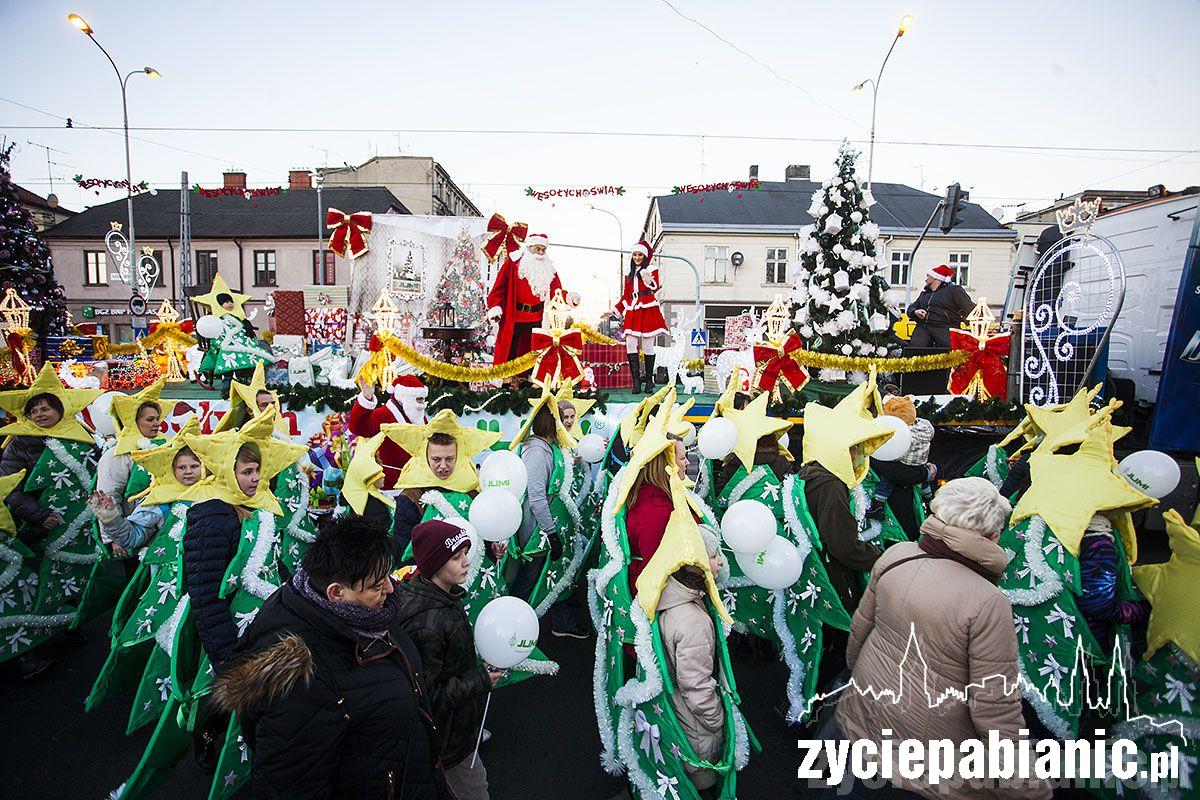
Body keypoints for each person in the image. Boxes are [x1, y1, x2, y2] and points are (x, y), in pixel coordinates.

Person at [833, 477, 1049, 800]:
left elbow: (859, 635)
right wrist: (1029, 787)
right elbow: (994, 708)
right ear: (993, 535)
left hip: (866, 715)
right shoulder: (989, 602)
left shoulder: (897, 555)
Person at [214, 516, 452, 800]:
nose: (390, 588)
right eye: (377, 585)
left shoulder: (370, 614)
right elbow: (290, 785)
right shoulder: (302, 679)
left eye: (387, 576)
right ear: (336, 592)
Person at [397, 519, 504, 800]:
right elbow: (428, 696)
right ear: (434, 564)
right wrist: (480, 680)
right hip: (448, 742)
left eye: (466, 553)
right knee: (474, 791)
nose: (467, 562)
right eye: (456, 557)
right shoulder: (427, 624)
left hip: (455, 731)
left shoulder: (441, 596)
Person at [183, 443, 265, 673]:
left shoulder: (249, 508)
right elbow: (206, 598)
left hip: (252, 626)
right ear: (225, 475)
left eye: (257, 470)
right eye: (247, 472)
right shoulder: (210, 523)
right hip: (232, 635)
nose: (256, 478)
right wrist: (229, 659)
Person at [513, 405, 586, 637]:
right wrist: (551, 534)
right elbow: (537, 499)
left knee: (551, 574)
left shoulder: (547, 447)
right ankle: (511, 625)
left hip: (546, 528)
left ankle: (561, 622)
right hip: (538, 532)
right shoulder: (537, 452)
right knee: (530, 577)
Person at [659, 563, 726, 798]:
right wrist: (717, 720)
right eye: (714, 556)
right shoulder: (693, 621)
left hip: (680, 717)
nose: (720, 562)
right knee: (700, 788)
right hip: (697, 730)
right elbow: (696, 687)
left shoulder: (671, 592)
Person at [91, 446, 204, 552]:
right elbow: (132, 537)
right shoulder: (159, 499)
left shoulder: (212, 495)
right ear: (173, 469)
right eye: (182, 467)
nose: (188, 471)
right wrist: (112, 519)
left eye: (194, 466)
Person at [486, 232, 564, 365]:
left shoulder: (549, 268)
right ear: (529, 247)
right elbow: (498, 288)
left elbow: (558, 291)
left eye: (543, 249)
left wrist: (570, 298)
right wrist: (495, 306)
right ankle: (507, 377)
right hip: (515, 317)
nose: (541, 252)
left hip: (538, 319)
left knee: (533, 355)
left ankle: (529, 377)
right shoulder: (512, 264)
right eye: (537, 249)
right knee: (510, 353)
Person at [866, 394, 937, 530]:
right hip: (902, 504)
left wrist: (929, 471)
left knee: (887, 483)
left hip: (903, 505)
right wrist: (929, 472)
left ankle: (878, 503)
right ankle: (930, 500)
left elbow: (898, 473)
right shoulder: (923, 429)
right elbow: (898, 474)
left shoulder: (895, 435)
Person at [348, 373, 428, 490]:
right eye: (418, 399)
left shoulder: (418, 416)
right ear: (404, 397)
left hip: (419, 481)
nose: (422, 404)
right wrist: (366, 399)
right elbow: (358, 427)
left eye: (423, 399)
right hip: (392, 484)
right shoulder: (383, 415)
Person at [392, 431, 465, 557]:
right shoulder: (410, 497)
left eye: (449, 459)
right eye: (436, 459)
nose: (443, 466)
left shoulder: (469, 492)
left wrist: (493, 548)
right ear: (426, 459)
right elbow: (403, 550)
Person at [613, 240, 668, 393]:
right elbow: (626, 295)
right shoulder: (629, 272)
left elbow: (655, 287)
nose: (637, 257)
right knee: (630, 343)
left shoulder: (651, 269)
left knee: (648, 345)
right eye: (635, 255)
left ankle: (649, 380)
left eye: (640, 255)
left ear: (644, 256)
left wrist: (648, 280)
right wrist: (616, 309)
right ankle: (636, 382)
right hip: (633, 308)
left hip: (648, 306)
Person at [625, 445, 677, 593]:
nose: (687, 462)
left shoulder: (653, 497)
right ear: (665, 466)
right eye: (681, 458)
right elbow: (657, 568)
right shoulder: (656, 510)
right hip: (654, 592)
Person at [905, 263, 975, 350]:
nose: (925, 280)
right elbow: (910, 309)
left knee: (950, 351)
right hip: (924, 327)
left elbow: (970, 308)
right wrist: (915, 312)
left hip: (945, 327)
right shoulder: (924, 294)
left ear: (935, 278)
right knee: (914, 349)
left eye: (928, 276)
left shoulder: (954, 290)